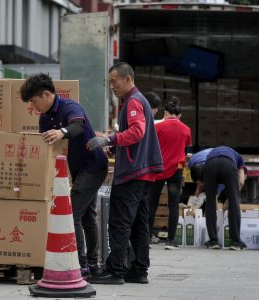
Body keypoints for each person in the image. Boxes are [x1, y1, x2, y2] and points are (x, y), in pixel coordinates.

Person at [19, 73, 108, 277]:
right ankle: (93, 264)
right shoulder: (45, 118)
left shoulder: (70, 107)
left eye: (34, 101)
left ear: (47, 94)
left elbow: (79, 125)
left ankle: (81, 263)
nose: (33, 107)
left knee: (72, 214)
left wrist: (62, 132)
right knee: (87, 216)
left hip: (93, 166)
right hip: (77, 170)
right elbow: (48, 150)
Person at [87, 62, 163, 285]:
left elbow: (137, 132)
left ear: (128, 79)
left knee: (119, 222)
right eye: (109, 82)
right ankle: (139, 270)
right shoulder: (140, 101)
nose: (111, 86)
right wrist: (118, 145)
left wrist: (110, 139)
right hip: (143, 173)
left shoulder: (133, 102)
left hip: (131, 173)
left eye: (114, 81)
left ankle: (115, 270)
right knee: (139, 224)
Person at [148, 97, 192, 249]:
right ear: (179, 115)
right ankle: (171, 241)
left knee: (152, 203)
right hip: (176, 170)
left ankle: (147, 238)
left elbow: (151, 147)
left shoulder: (157, 127)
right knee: (173, 205)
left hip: (158, 169)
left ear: (166, 112)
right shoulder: (186, 129)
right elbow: (186, 151)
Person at [189, 146, 247, 250]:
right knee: (234, 202)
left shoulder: (211, 154)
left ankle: (213, 241)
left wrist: (199, 190)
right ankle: (236, 242)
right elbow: (241, 182)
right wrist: (230, 199)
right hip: (228, 165)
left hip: (210, 165)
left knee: (210, 202)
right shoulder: (240, 160)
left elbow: (211, 191)